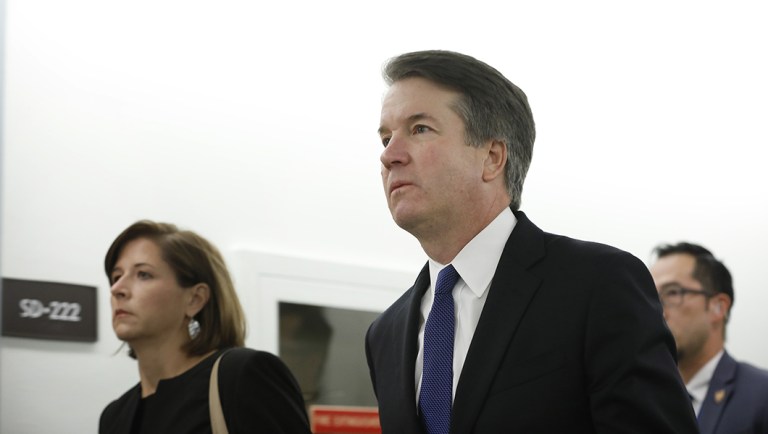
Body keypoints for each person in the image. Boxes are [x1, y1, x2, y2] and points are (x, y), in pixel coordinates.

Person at [364, 50, 698, 433]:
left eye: (420, 129)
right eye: (386, 138)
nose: (389, 156)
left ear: (492, 157)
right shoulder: (385, 334)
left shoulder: (597, 286)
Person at [99, 220, 311, 434]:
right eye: (116, 276)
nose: (117, 288)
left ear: (195, 299)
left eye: (143, 274)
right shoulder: (114, 417)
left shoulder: (242, 377)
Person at [650, 242, 768, 433]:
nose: (658, 311)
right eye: (652, 298)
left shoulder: (761, 395)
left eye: (672, 293)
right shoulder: (643, 399)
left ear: (718, 307)